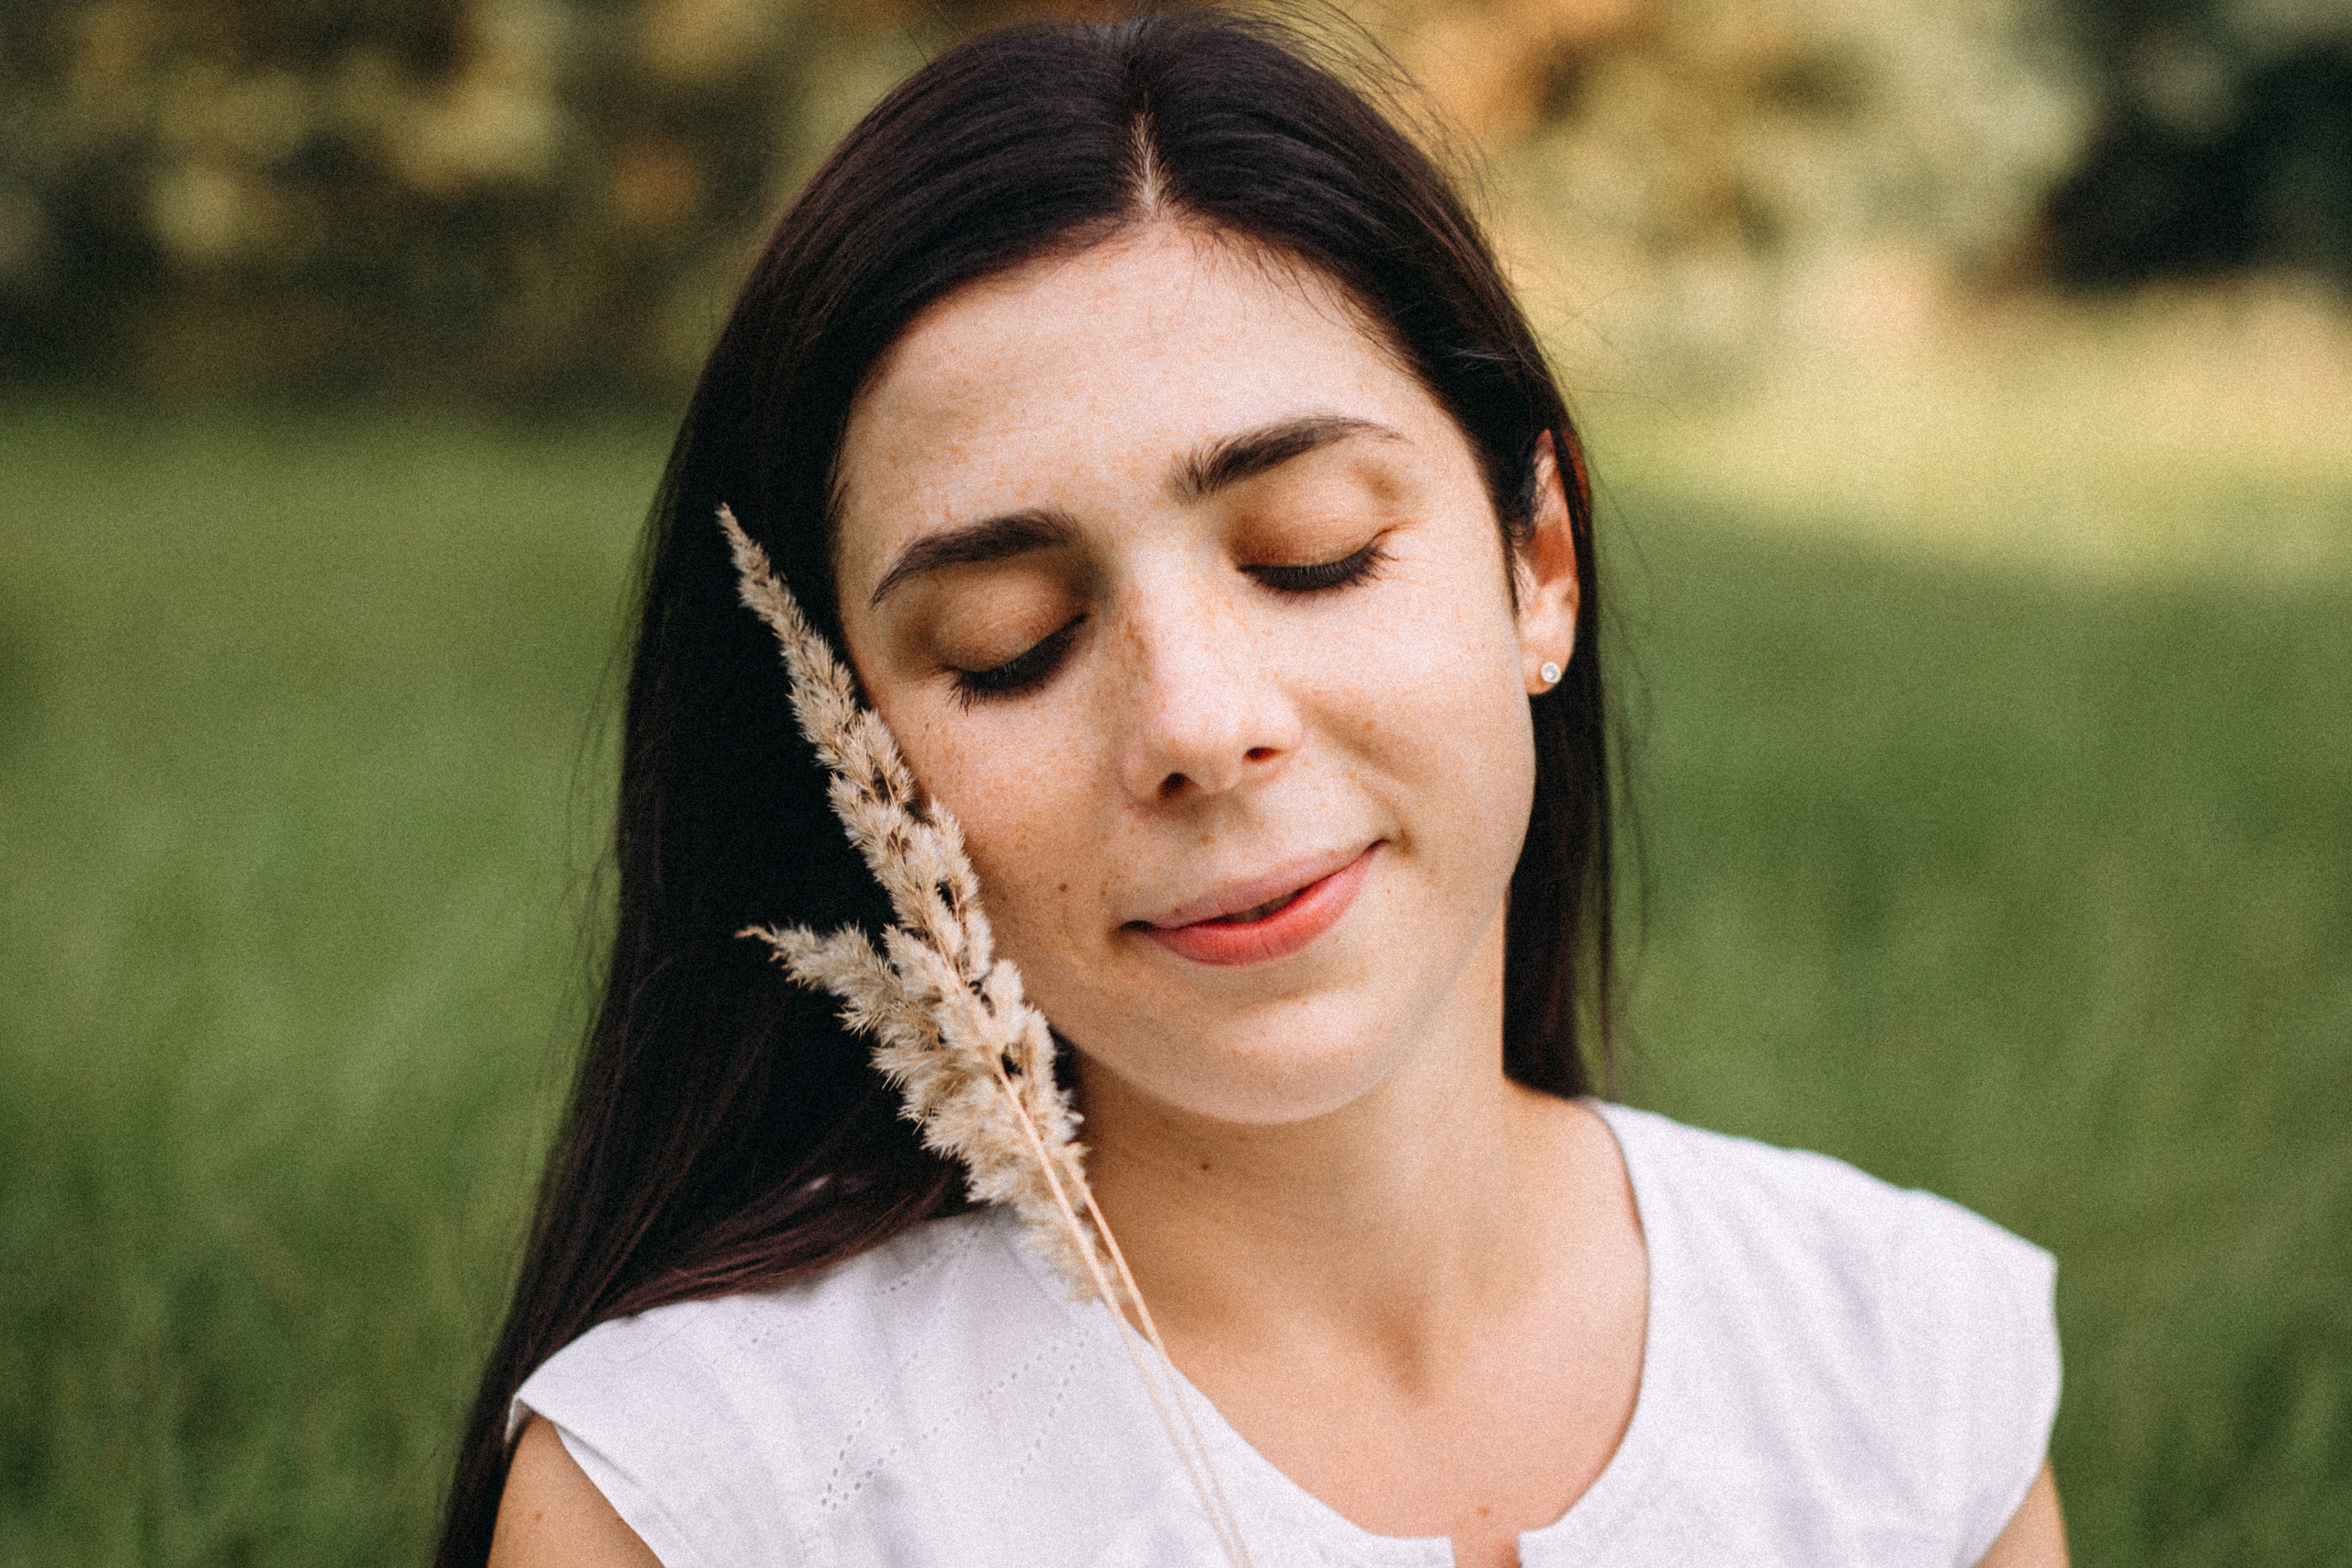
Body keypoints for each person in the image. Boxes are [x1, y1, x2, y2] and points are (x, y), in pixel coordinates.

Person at [438, 11, 2065, 1567]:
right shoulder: (711, 1495)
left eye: (1314, 555)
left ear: (1538, 562)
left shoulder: (1905, 1367)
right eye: (1013, 647)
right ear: (849, 750)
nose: (1200, 725)